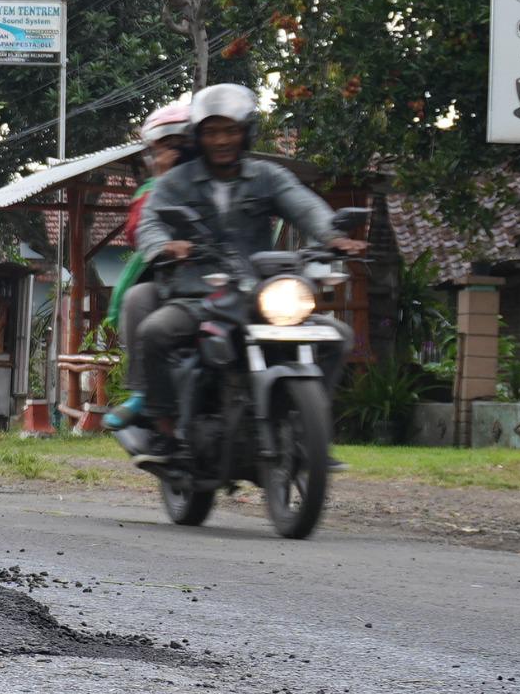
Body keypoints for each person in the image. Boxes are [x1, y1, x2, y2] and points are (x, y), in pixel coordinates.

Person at [129, 83, 366, 440]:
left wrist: (333, 236)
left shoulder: (267, 176)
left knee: (337, 336)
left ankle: (307, 426)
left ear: (246, 133)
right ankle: (164, 427)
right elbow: (150, 222)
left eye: (230, 130)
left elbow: (304, 206)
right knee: (156, 331)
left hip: (259, 293)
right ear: (198, 137)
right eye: (211, 132)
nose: (222, 140)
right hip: (197, 295)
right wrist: (165, 246)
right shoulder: (176, 183)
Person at [101, 101, 190, 431]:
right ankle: (143, 392)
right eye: (160, 151)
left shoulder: (232, 177)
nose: (167, 157)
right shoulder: (154, 191)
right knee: (139, 300)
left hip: (233, 277)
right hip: (175, 277)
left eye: (178, 147)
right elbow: (139, 229)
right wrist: (167, 245)